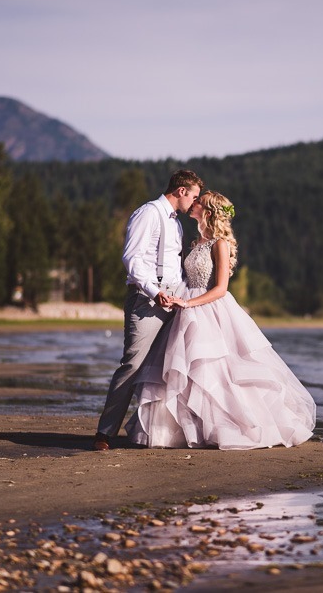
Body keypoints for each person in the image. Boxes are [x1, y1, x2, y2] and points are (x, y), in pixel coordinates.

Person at [124, 191, 316, 449]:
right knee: (184, 372)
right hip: (184, 306)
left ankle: (225, 428)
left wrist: (188, 303)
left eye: (198, 201)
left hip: (209, 308)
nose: (194, 203)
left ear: (208, 211)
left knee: (214, 371)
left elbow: (221, 288)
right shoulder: (195, 242)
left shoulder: (220, 244)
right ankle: (184, 428)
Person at [93, 169, 204, 451]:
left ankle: (165, 431)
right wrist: (156, 293)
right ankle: (104, 434)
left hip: (175, 300)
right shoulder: (149, 213)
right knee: (133, 365)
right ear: (181, 191)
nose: (195, 202)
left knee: (174, 366)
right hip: (148, 302)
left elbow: (173, 267)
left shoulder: (176, 223)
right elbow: (132, 259)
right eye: (194, 196)